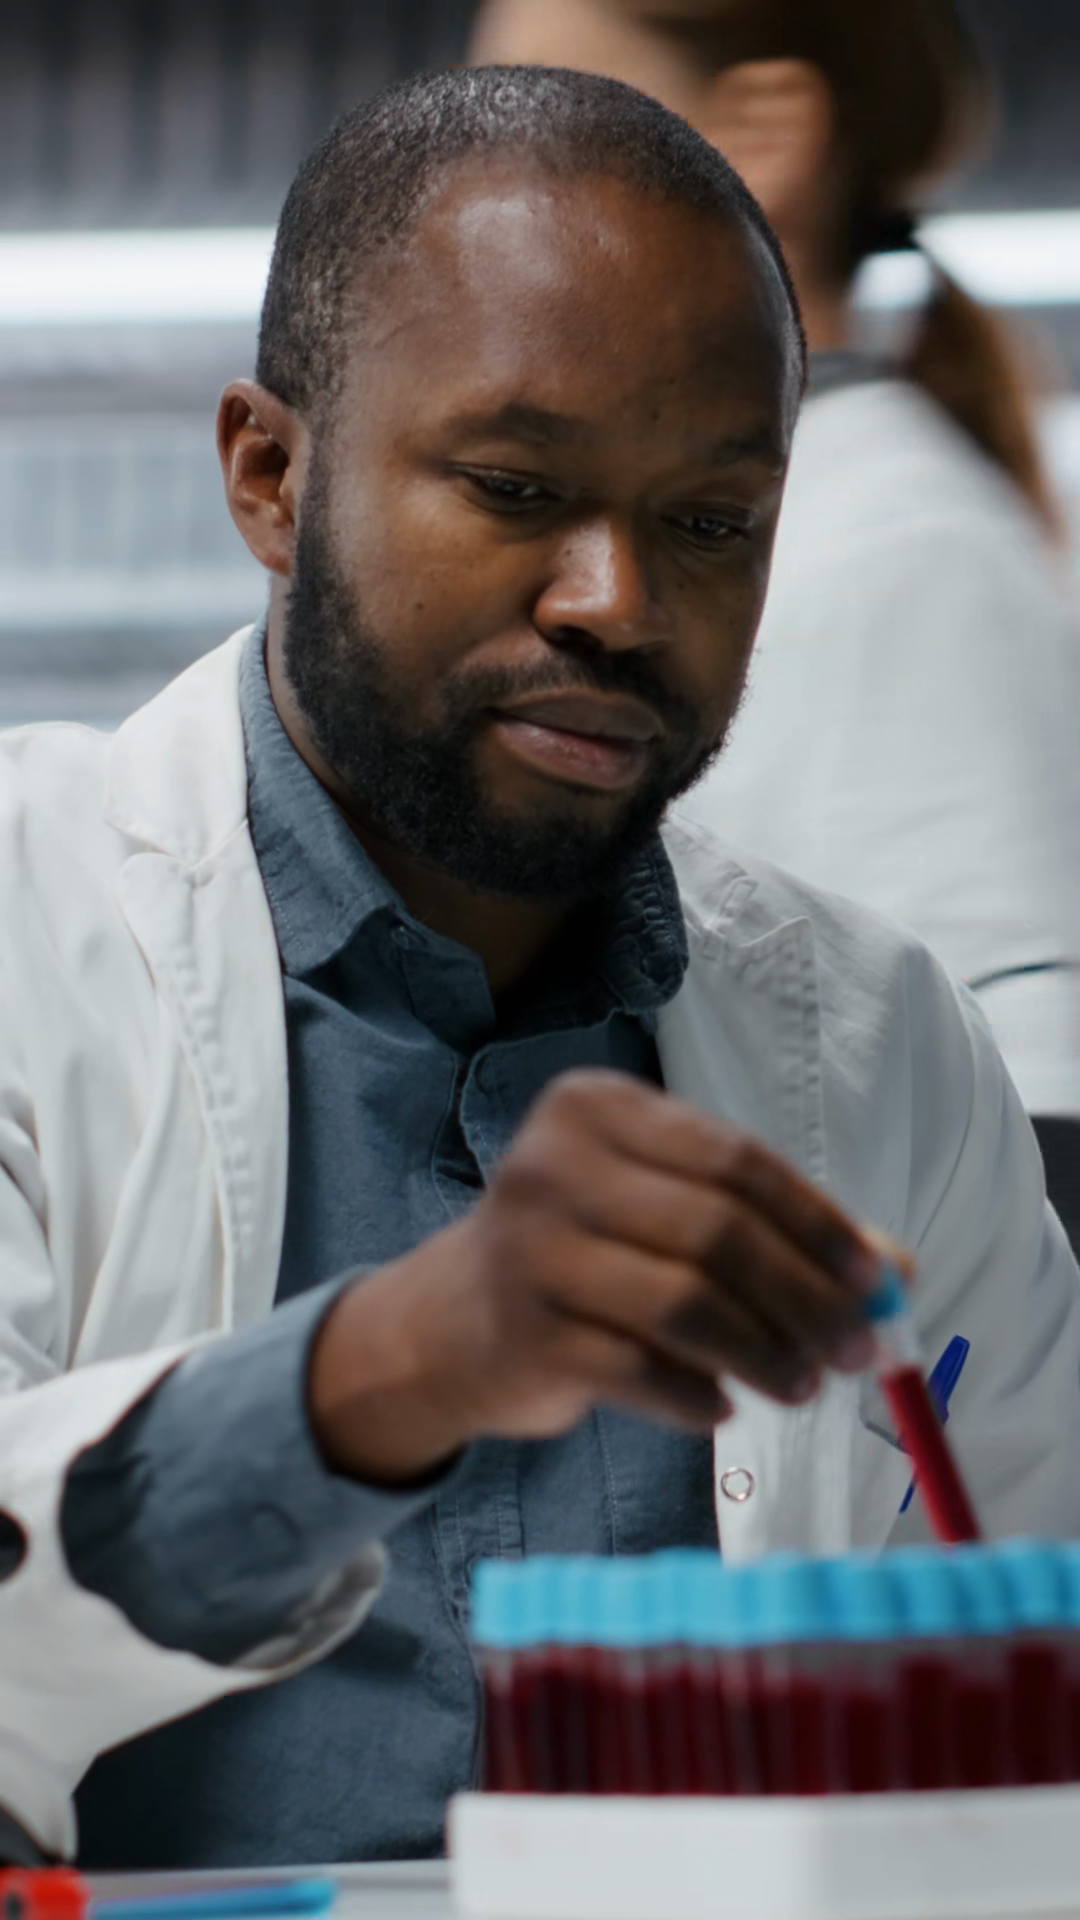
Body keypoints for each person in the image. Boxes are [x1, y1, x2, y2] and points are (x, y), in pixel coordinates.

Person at [0, 65, 1078, 1875]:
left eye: (713, 520)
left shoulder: (887, 1052)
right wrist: (382, 1371)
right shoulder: (26, 928)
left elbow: (1024, 1709)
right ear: (271, 475)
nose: (616, 601)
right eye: (514, 486)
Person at [470, 0, 1080, 1244]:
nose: (469, 195)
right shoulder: (722, 549)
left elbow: (1036, 1164)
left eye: (536, 124)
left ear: (766, 134)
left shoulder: (899, 554)